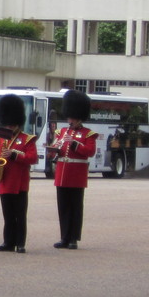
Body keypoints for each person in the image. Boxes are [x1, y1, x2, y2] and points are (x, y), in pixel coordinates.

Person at [50, 89, 97, 250]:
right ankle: (64, 237)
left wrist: (74, 143)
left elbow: (90, 151)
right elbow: (56, 151)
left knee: (75, 208)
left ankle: (73, 239)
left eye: (73, 118)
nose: (70, 120)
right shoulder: (62, 132)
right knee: (63, 208)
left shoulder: (88, 134)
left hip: (77, 176)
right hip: (62, 175)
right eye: (69, 117)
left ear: (79, 118)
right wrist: (53, 149)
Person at [0, 93, 38, 253]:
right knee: (7, 215)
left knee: (20, 215)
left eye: (12, 125)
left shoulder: (27, 139)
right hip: (5, 180)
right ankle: (8, 242)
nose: (10, 127)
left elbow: (33, 158)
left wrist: (14, 155)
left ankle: (20, 243)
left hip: (19, 183)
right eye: (8, 124)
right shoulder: (1, 138)